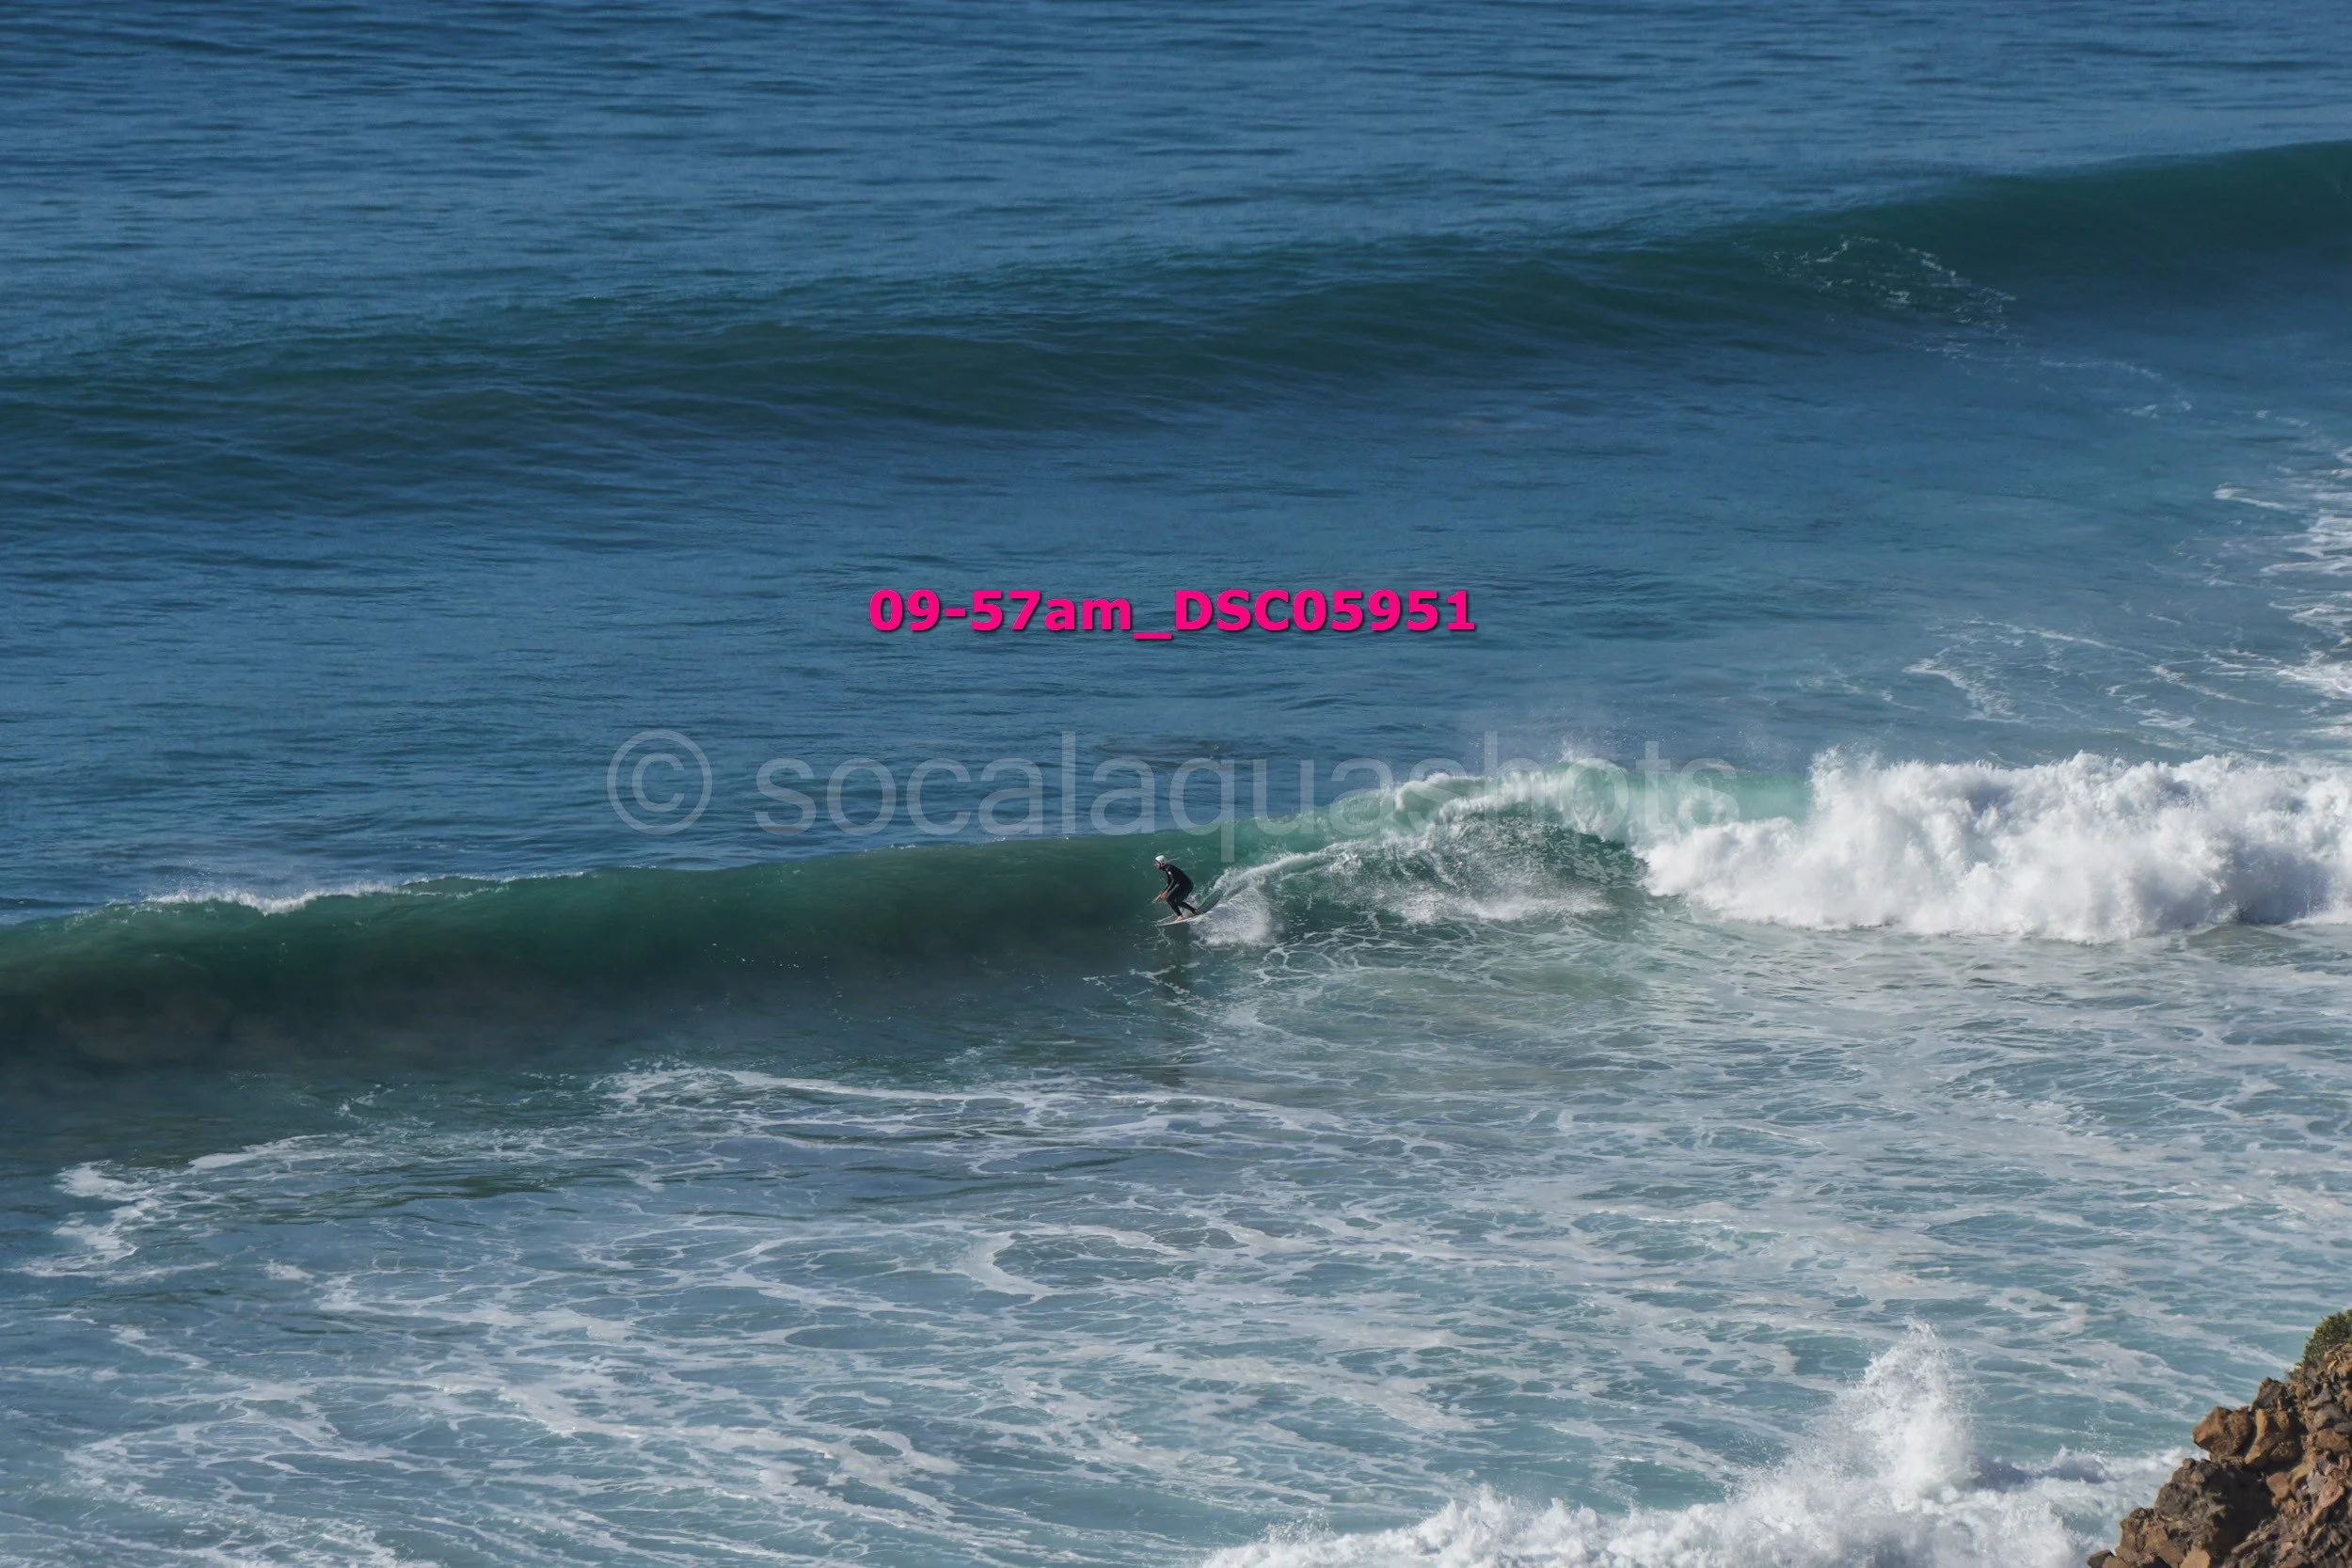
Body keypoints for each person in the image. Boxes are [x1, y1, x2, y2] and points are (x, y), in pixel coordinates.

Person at [1152, 853, 1200, 920]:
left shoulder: (1169, 869)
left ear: (1162, 863)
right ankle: (1194, 911)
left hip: (1187, 886)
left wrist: (1166, 892)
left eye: (1157, 863)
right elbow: (1169, 883)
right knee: (1176, 901)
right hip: (1184, 885)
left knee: (1170, 899)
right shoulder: (1167, 869)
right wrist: (1162, 894)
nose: (1155, 865)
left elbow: (1174, 880)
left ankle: (1180, 916)